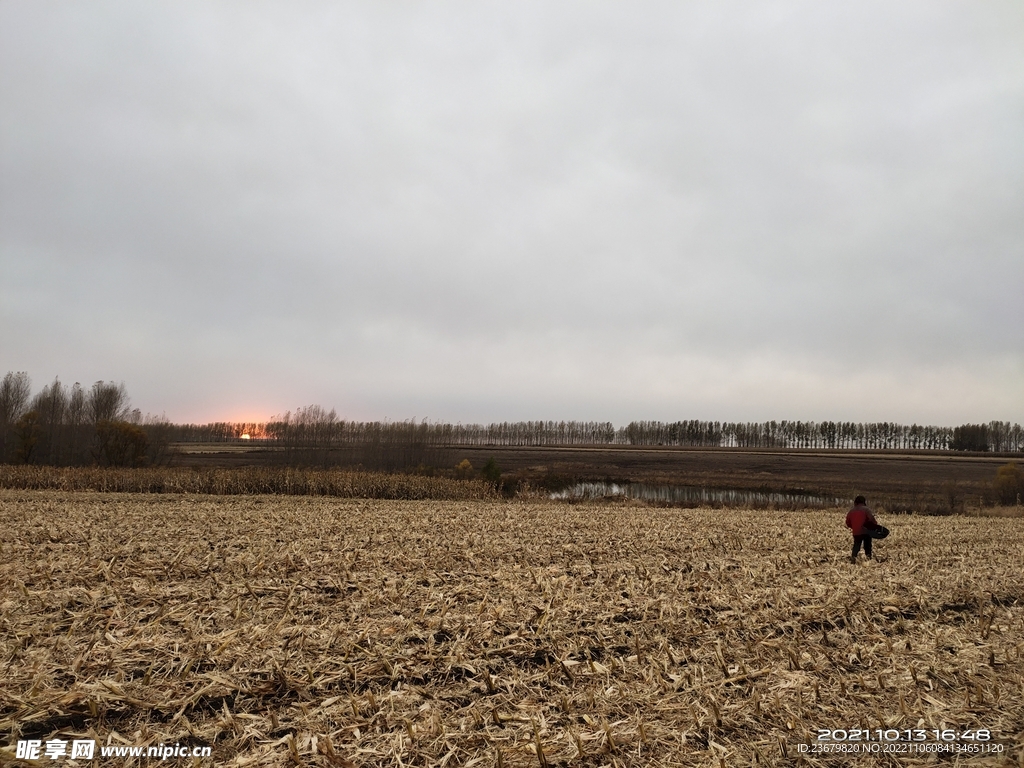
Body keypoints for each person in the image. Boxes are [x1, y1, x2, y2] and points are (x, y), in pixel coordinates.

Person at [845, 495, 878, 563]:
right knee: (867, 545)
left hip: (856, 531)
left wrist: (854, 527)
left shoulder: (851, 511)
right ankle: (868, 558)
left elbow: (848, 522)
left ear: (855, 502)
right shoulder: (866, 510)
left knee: (856, 545)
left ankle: (853, 558)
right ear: (864, 502)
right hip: (866, 531)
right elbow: (872, 519)